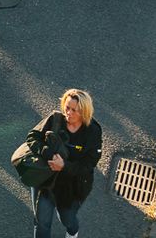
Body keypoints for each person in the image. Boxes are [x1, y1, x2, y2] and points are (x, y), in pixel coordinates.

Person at [25, 89, 102, 238]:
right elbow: (32, 137)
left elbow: (89, 164)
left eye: (74, 110)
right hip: (45, 181)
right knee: (42, 222)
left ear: (84, 112)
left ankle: (72, 232)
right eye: (67, 107)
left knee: (67, 218)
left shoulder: (92, 131)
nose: (69, 113)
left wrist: (64, 166)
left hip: (71, 187)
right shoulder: (55, 120)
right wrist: (47, 152)